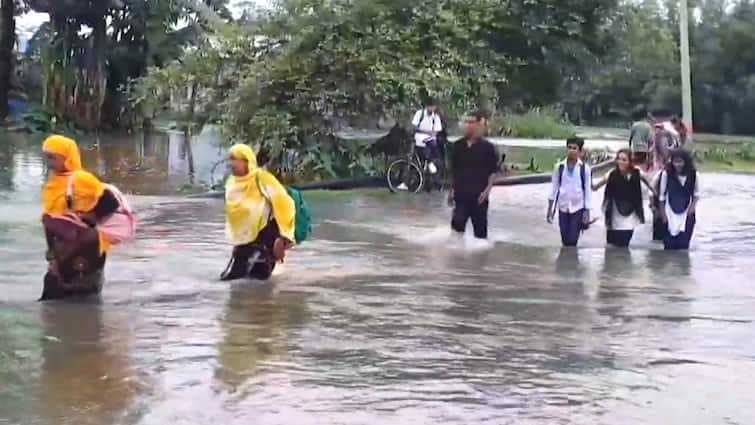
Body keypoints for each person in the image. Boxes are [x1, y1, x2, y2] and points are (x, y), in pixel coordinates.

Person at [40, 135, 121, 300]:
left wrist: (87, 219)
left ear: (67, 157)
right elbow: (51, 219)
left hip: (86, 249)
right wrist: (52, 256)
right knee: (56, 294)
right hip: (63, 248)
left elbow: (110, 202)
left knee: (83, 296)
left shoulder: (81, 179)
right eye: (46, 156)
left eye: (52, 157)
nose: (48, 162)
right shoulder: (54, 183)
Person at [221, 144, 296, 281]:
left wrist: (284, 238)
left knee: (256, 282)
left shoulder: (262, 179)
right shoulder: (231, 183)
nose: (231, 163)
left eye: (235, 159)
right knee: (233, 281)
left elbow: (285, 204)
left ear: (247, 161)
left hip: (265, 240)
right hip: (243, 242)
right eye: (230, 159)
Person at [448, 110, 499, 240]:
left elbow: (493, 172)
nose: (467, 125)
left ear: (478, 124)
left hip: (479, 197)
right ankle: (457, 259)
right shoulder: (457, 146)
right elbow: (453, 170)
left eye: (471, 122)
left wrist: (487, 192)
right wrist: (450, 191)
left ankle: (479, 260)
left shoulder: (488, 148)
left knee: (480, 236)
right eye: (466, 122)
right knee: (456, 232)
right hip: (461, 195)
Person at [592, 148, 656, 247]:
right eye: (619, 159)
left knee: (624, 245)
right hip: (614, 214)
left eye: (624, 160)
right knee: (611, 245)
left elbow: (651, 184)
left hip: (631, 213)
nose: (621, 162)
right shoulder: (612, 173)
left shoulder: (637, 172)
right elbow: (595, 187)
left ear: (630, 161)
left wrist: (657, 196)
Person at [547, 137, 593, 247]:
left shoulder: (584, 169)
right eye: (569, 148)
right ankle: (565, 261)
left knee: (573, 239)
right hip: (563, 206)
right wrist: (550, 210)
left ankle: (571, 261)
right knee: (564, 238)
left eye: (574, 148)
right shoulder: (559, 167)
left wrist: (587, 212)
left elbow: (587, 191)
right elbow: (554, 188)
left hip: (578, 208)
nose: (571, 150)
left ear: (580, 151)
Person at [658, 149, 700, 250]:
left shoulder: (694, 175)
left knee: (683, 246)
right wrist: (663, 214)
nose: (677, 165)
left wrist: (692, 208)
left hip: (686, 213)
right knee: (669, 245)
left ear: (686, 162)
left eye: (680, 161)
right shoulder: (666, 174)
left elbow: (697, 194)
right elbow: (661, 196)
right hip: (669, 212)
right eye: (675, 162)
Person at [411, 98, 444, 172]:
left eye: (433, 106)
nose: (432, 108)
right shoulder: (420, 113)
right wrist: (426, 132)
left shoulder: (436, 117)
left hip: (431, 138)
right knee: (429, 143)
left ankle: (431, 163)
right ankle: (429, 162)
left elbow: (436, 130)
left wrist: (432, 134)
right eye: (430, 106)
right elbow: (414, 127)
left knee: (435, 144)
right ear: (426, 106)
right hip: (419, 136)